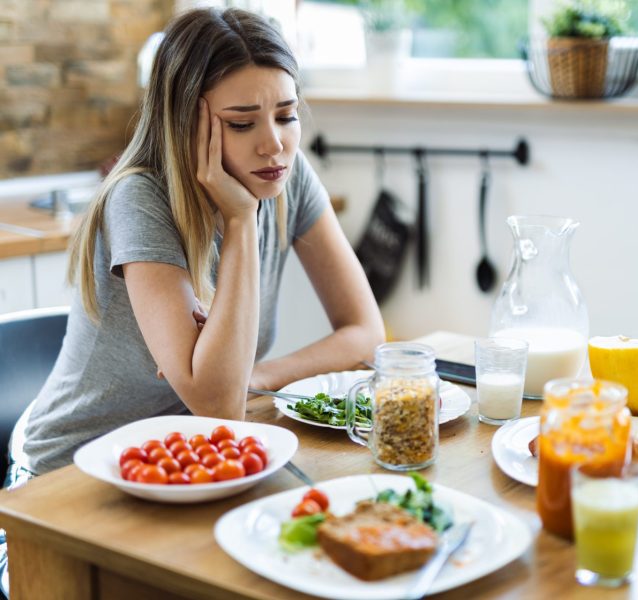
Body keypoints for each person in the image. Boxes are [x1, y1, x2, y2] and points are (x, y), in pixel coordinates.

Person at [11, 6, 385, 481]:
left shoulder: (287, 177)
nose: (274, 145)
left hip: (183, 457)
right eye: (242, 123)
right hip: (68, 475)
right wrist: (242, 219)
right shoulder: (141, 198)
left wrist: (259, 376)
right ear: (187, 124)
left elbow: (365, 332)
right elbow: (219, 405)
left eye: (286, 116)